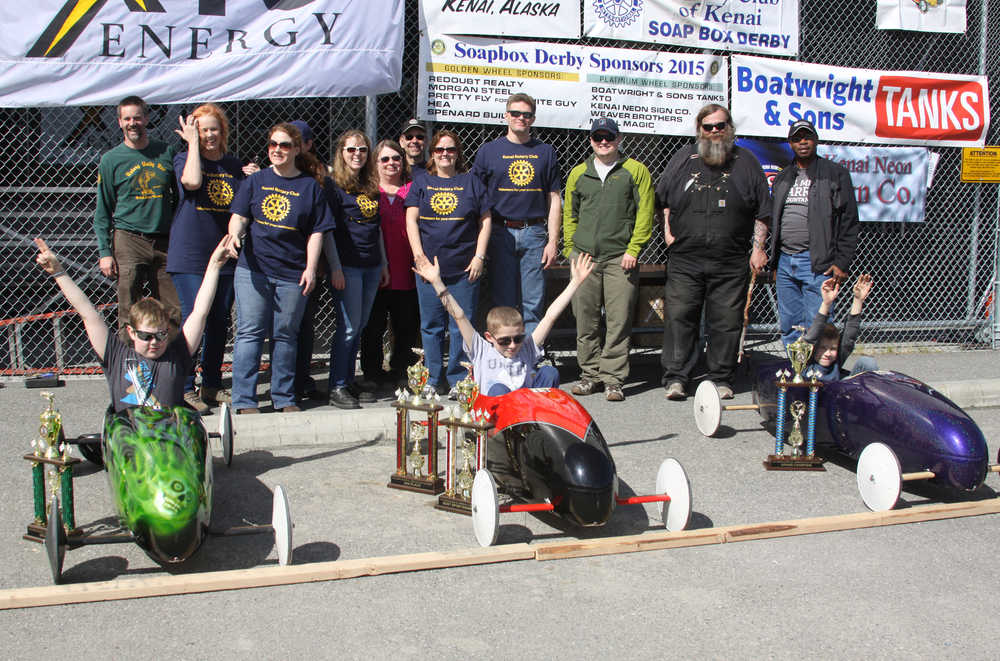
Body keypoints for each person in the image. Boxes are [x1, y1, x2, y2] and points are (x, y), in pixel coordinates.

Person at [33, 236, 232, 412]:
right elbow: (88, 314)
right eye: (147, 336)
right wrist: (58, 272)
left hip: (169, 442)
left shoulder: (177, 355)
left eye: (161, 335)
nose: (154, 342)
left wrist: (214, 266)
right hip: (129, 442)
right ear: (132, 332)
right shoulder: (117, 355)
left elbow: (200, 313)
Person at [658, 104, 770, 401]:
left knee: (726, 320)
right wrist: (669, 234)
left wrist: (758, 248)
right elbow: (663, 198)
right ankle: (677, 378)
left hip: (730, 259)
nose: (715, 131)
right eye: (708, 127)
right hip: (686, 258)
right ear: (700, 130)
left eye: (720, 125)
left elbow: (762, 211)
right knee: (681, 317)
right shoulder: (683, 158)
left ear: (729, 127)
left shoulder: (746, 162)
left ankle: (721, 377)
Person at [226, 123, 335, 414]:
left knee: (286, 335)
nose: (277, 150)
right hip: (254, 269)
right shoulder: (255, 181)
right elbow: (239, 215)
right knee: (249, 333)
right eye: (273, 144)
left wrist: (311, 268)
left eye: (285, 145)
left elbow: (317, 232)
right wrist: (235, 233)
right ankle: (244, 400)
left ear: (297, 149)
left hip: (292, 272)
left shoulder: (310, 187)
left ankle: (284, 397)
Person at [562, 118, 654, 402]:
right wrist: (570, 249)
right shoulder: (579, 174)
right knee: (585, 319)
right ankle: (590, 375)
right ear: (590, 140)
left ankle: (613, 379)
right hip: (585, 258)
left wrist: (634, 249)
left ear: (619, 138)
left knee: (618, 319)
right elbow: (570, 214)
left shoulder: (635, 171)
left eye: (609, 137)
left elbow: (645, 213)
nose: (604, 142)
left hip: (619, 258)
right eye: (598, 137)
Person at [413, 253, 594, 395]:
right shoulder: (481, 350)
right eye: (505, 341)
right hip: (498, 414)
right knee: (498, 390)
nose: (513, 345)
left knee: (549, 372)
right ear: (489, 337)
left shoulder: (527, 348)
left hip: (525, 408)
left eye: (518, 338)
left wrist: (575, 283)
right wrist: (437, 282)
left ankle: (539, 424)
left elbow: (549, 317)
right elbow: (459, 316)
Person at [168, 103, 248, 413]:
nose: (209, 134)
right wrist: (192, 146)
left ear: (223, 131)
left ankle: (212, 385)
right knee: (193, 319)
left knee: (218, 322)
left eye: (213, 128)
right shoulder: (183, 159)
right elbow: (192, 183)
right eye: (202, 130)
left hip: (224, 252)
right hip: (190, 254)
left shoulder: (233, 165)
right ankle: (185, 388)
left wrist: (249, 175)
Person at [405, 130, 491, 395]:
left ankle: (456, 378)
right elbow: (411, 220)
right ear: (432, 154)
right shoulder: (422, 182)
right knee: (431, 326)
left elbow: (486, 221)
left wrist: (479, 256)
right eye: (440, 150)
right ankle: (431, 379)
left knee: (459, 325)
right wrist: (418, 256)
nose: (445, 154)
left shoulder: (472, 182)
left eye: (450, 150)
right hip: (430, 271)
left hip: (464, 269)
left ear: (458, 153)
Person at [472, 93, 562, 334]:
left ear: (533, 118)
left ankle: (532, 357)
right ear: (506, 116)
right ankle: (504, 355)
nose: (521, 118)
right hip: (500, 233)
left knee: (533, 303)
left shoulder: (545, 152)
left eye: (526, 114)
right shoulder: (488, 151)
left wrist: (553, 241)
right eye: (515, 113)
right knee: (502, 301)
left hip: (534, 232)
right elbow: (477, 200)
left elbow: (554, 198)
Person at [93, 95, 181, 332]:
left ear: (146, 119)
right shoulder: (111, 160)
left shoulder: (166, 152)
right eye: (127, 118)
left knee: (173, 308)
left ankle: (171, 363)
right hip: (129, 239)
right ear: (120, 122)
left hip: (165, 240)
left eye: (137, 117)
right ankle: (127, 362)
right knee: (128, 306)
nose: (133, 123)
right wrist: (105, 252)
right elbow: (103, 210)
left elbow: (181, 196)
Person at [770, 119, 860, 346]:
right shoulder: (783, 178)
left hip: (817, 262)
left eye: (807, 137)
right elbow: (775, 221)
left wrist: (841, 262)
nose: (803, 142)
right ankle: (795, 375)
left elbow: (849, 221)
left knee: (818, 324)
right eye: (797, 138)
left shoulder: (834, 174)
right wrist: (775, 263)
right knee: (789, 326)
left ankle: (818, 377)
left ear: (816, 140)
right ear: (790, 143)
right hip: (785, 262)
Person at [324, 130, 388, 409]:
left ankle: (349, 379)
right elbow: (325, 231)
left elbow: (377, 229)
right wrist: (335, 267)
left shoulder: (370, 184)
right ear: (341, 153)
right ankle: (337, 385)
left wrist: (383, 263)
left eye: (362, 150)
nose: (357, 155)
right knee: (349, 327)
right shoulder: (333, 186)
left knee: (359, 325)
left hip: (371, 265)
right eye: (351, 150)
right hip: (347, 266)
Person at [359, 139, 421, 391]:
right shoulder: (368, 192)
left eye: (396, 158)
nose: (391, 163)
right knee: (373, 326)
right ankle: (372, 372)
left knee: (406, 325)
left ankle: (401, 369)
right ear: (375, 163)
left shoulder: (414, 189)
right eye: (384, 159)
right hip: (375, 271)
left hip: (406, 270)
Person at [802, 274, 877, 381]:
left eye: (832, 349)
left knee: (867, 362)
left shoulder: (836, 361)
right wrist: (826, 303)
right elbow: (812, 337)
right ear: (814, 349)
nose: (827, 353)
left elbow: (849, 335)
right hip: (812, 396)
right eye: (822, 348)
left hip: (838, 393)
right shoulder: (806, 363)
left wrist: (858, 300)